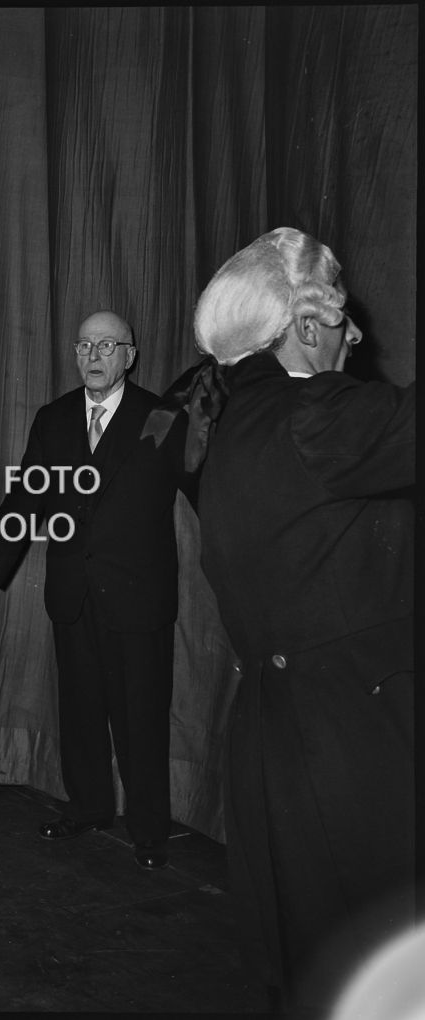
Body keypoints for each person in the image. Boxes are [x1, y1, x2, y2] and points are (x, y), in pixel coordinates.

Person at [190, 227, 414, 1012]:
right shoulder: (318, 414)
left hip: (274, 738)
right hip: (353, 739)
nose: (358, 335)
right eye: (342, 316)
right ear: (308, 325)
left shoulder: (231, 425)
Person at [0, 311, 186, 870]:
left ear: (129, 356)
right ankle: (89, 807)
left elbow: (206, 491)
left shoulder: (163, 417)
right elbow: (26, 496)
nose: (94, 356)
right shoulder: (54, 418)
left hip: (138, 596)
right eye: (85, 345)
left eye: (107, 346)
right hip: (73, 593)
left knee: (140, 718)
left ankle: (149, 830)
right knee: (81, 711)